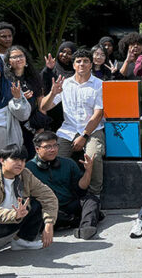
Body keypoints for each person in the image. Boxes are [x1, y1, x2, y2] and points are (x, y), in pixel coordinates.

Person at [41, 50, 106, 200]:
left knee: (93, 156)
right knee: (53, 156)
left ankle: (95, 194)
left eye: (85, 61)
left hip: (92, 130)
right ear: (74, 65)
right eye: (78, 61)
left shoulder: (99, 85)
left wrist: (84, 135)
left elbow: (98, 114)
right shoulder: (65, 83)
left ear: (91, 64)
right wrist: (52, 93)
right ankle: (58, 193)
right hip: (68, 129)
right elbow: (44, 107)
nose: (81, 64)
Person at [0, 144, 57, 253]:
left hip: (15, 220)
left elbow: (48, 196)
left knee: (37, 203)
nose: (20, 164)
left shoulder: (25, 174)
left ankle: (22, 241)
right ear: (2, 160)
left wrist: (49, 224)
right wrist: (14, 215)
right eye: (15, 159)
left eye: (23, 160)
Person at [25, 131, 100, 239]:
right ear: (37, 149)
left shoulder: (68, 163)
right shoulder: (29, 168)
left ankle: (85, 228)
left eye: (55, 145)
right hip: (48, 210)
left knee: (92, 200)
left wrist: (88, 171)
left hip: (69, 205)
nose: (52, 149)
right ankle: (76, 220)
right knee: (36, 213)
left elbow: (81, 189)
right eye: (47, 147)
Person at [5, 46, 49, 157]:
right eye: (14, 57)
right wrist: (20, 99)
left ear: (26, 59)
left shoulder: (34, 77)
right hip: (13, 124)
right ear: (8, 61)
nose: (18, 59)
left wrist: (40, 127)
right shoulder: (5, 80)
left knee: (32, 157)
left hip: (32, 126)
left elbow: (41, 104)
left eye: (21, 56)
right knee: (14, 157)